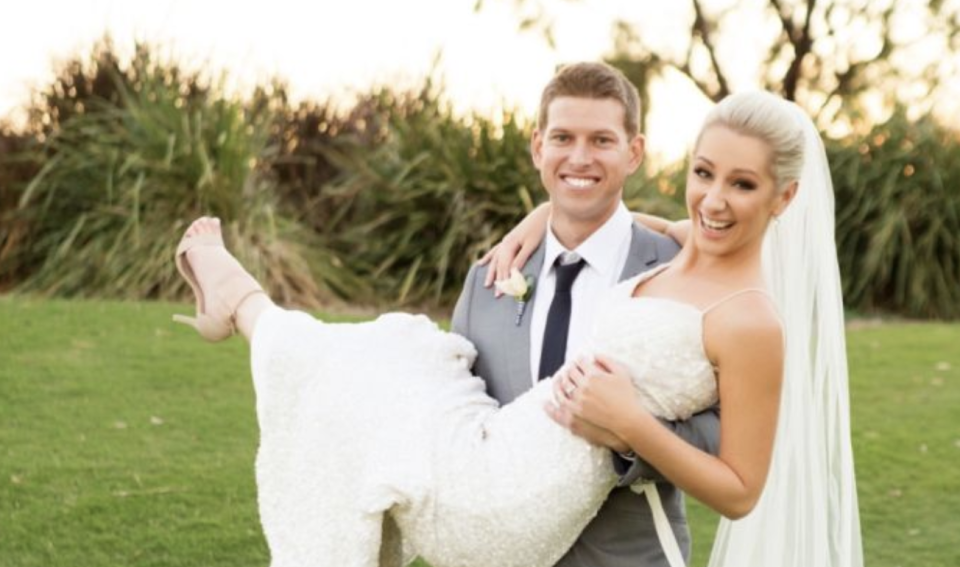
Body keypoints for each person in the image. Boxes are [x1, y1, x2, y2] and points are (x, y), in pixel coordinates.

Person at [172, 90, 862, 567]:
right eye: (703, 172)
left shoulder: (751, 320)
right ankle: (236, 299)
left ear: (785, 196)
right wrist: (539, 219)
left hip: (515, 499)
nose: (714, 199)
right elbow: (626, 221)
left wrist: (629, 422)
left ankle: (237, 297)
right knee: (385, 357)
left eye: (742, 185)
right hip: (502, 445)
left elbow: (741, 487)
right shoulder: (688, 242)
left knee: (365, 371)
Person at [450, 61, 718, 567]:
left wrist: (627, 438)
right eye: (563, 138)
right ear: (538, 148)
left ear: (633, 152)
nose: (579, 157)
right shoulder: (487, 282)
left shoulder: (679, 272)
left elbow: (724, 433)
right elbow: (460, 422)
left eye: (601, 140)